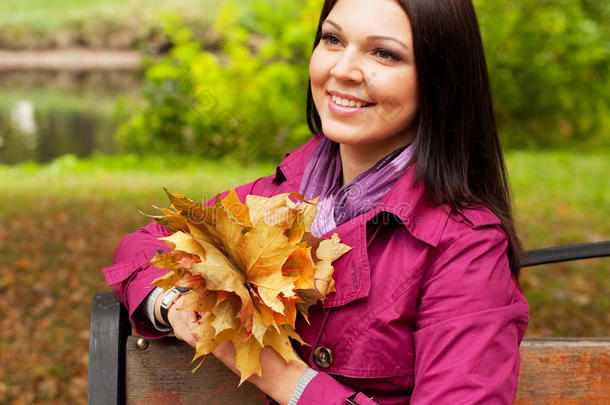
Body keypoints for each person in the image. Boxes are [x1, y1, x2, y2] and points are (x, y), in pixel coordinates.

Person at [102, 0, 529, 403]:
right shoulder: (280, 194)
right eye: (333, 39)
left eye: (384, 53)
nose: (342, 69)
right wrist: (174, 303)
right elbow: (146, 244)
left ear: (440, 79)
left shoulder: (465, 247)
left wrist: (281, 375)